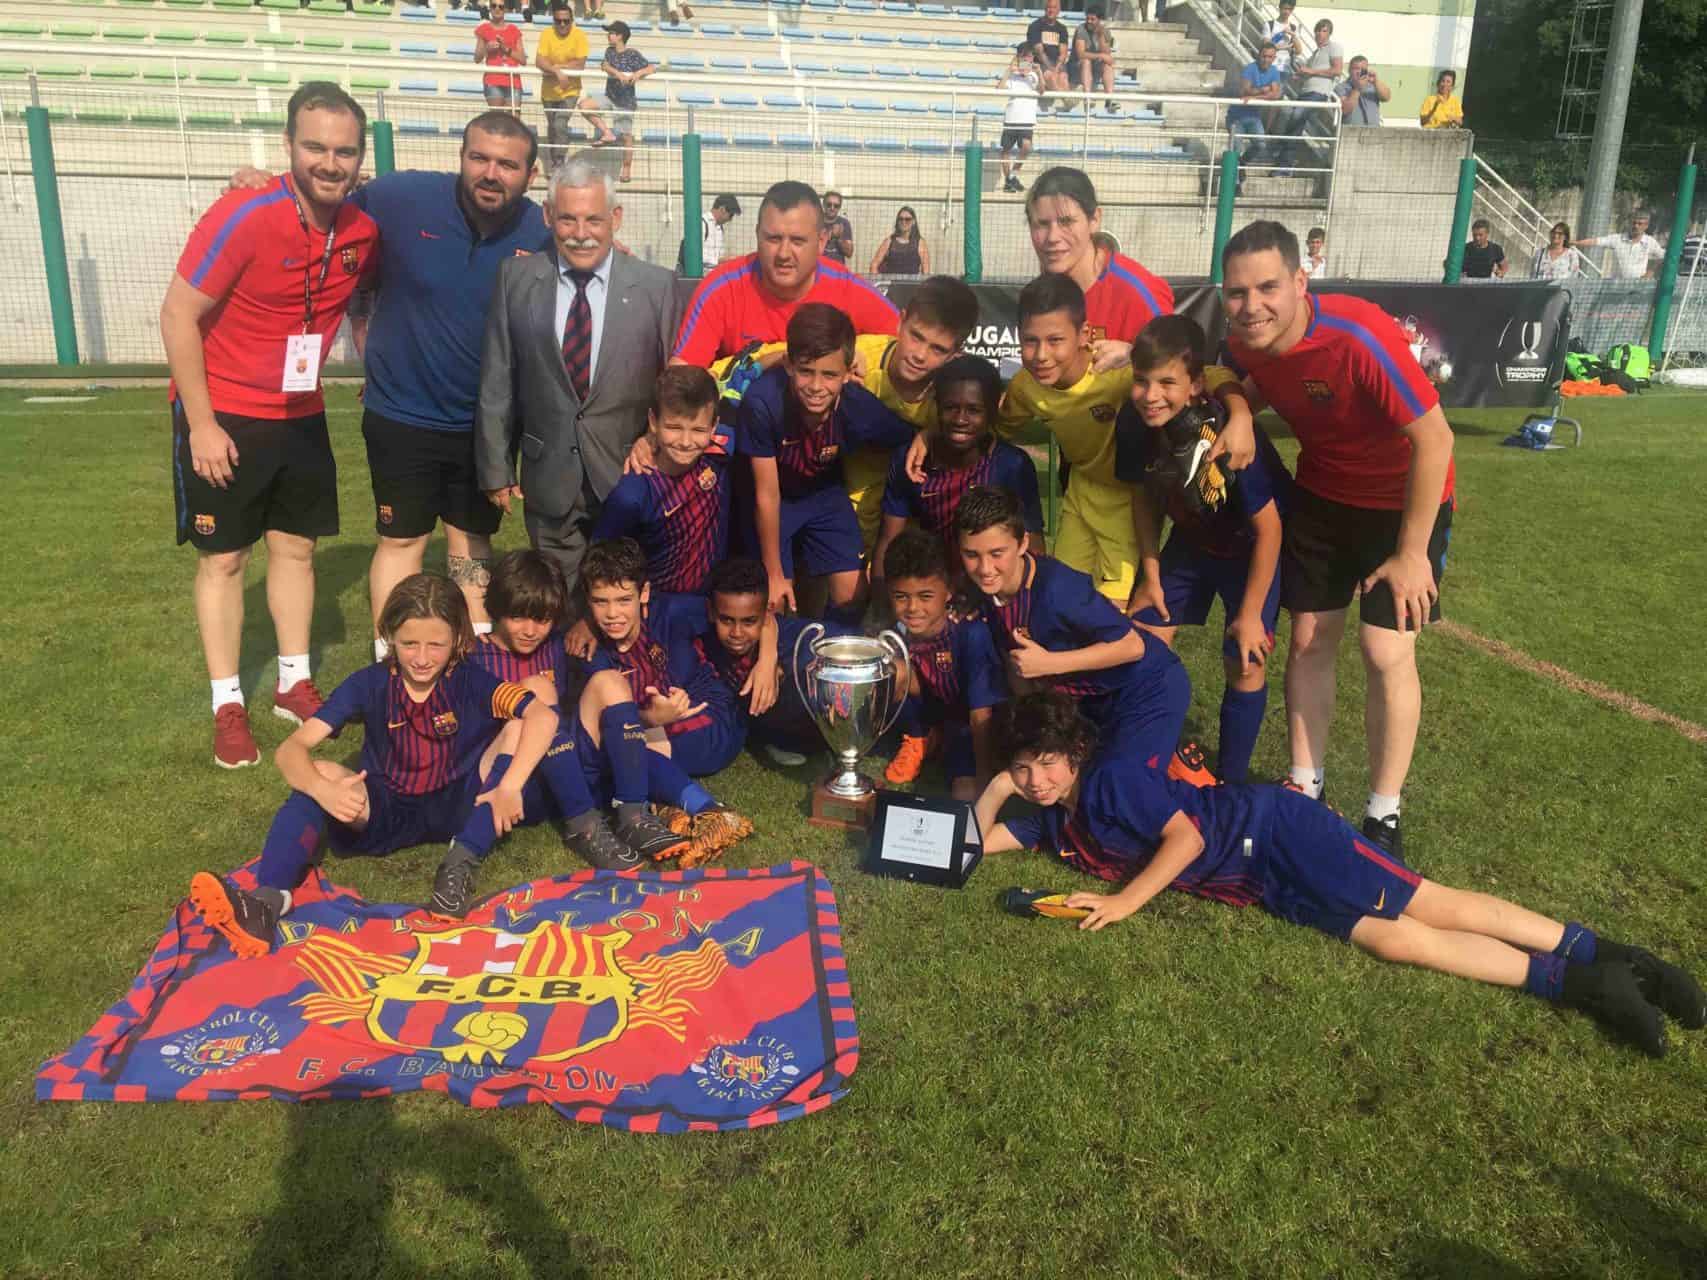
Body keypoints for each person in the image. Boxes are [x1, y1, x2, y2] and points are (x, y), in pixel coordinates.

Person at [973, 692, 1705, 1059]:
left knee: (1431, 906)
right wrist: (995, 787)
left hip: (1278, 833)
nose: (1035, 779)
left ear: (1075, 752)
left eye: (1045, 763)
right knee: (1396, 941)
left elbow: (1186, 833)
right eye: (1022, 767)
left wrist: (1125, 902)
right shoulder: (1051, 817)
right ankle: (1583, 987)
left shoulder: (1108, 784)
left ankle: (1617, 957)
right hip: (1261, 884)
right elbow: (969, 842)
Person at [186, 574, 645, 962]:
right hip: (388, 809)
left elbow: (542, 716)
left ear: (458, 640)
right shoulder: (369, 684)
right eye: (409, 644)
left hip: (462, 805)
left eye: (435, 644)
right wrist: (324, 791)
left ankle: (460, 862)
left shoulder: (471, 678)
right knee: (321, 772)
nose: (422, 657)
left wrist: (511, 786)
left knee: (515, 730)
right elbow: (292, 750)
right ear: (388, 637)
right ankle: (266, 904)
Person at [225, 112, 552, 654]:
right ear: (461, 157)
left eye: (507, 164)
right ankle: (390, 662)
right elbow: (318, 200)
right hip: (401, 413)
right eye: (479, 158)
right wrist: (261, 183)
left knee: (471, 545)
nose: (490, 173)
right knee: (401, 539)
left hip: (488, 421)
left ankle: (471, 662)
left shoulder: (542, 231)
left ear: (531, 172)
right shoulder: (401, 197)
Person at [1216, 220, 1455, 857]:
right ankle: (1305, 786)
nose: (1252, 306)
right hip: (1323, 497)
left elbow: (1436, 439)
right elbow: (1226, 378)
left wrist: (1411, 553)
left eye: (1268, 287)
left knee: (1384, 651)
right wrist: (1239, 410)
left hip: (1401, 506)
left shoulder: (1357, 335)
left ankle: (1383, 816)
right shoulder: (1248, 341)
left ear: (1300, 280)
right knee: (1308, 640)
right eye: (1237, 293)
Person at [161, 82, 378, 769]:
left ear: (359, 157)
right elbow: (176, 315)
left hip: (300, 413)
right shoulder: (244, 211)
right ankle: (228, 702)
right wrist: (201, 424)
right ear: (289, 146)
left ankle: (292, 683)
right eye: (314, 146)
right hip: (222, 414)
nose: (329, 162)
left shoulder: (363, 229)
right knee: (225, 559)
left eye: (343, 150)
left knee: (296, 551)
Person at [476, 160, 682, 588]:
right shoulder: (516, 279)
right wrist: (496, 467)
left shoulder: (657, 286)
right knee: (560, 598)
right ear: (549, 216)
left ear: (615, 219)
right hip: (548, 474)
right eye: (568, 218)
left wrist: (654, 439)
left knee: (623, 598)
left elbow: (673, 383)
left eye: (594, 219)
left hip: (630, 472)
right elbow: (498, 378)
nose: (581, 232)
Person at [1116, 315, 1288, 783]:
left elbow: (1270, 531)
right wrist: (1150, 575)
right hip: (1190, 545)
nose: (1150, 395)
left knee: (1245, 657)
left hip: (1249, 550)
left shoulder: (1226, 435)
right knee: (1141, 642)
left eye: (1166, 382)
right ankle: (1155, 759)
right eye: (1141, 381)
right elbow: (1143, 501)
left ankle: (1230, 784)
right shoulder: (1134, 424)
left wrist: (1251, 613)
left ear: (1196, 386)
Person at [954, 486, 1194, 778]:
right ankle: (1161, 760)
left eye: (997, 553)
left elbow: (1133, 646)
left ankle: (1182, 773)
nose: (985, 568)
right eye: (971, 555)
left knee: (1121, 792)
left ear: (1022, 544)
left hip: (1147, 687)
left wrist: (1049, 664)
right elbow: (1017, 670)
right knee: (1081, 787)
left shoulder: (1057, 588)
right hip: (1091, 701)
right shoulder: (988, 593)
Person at [741, 303, 916, 618]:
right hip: (774, 498)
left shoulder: (859, 408)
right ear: (789, 365)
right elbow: (766, 495)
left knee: (852, 594)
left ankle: (833, 652)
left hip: (824, 495)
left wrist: (927, 438)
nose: (817, 387)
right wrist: (773, 572)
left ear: (848, 373)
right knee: (775, 601)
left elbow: (909, 438)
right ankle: (781, 659)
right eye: (806, 371)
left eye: (830, 375)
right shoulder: (763, 403)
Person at [671, 180, 899, 368]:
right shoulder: (721, 288)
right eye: (773, 238)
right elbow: (680, 377)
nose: (783, 254)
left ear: (821, 241)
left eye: (798, 241)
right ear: (757, 235)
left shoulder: (848, 290)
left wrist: (858, 357)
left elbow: (911, 346)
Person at [592, 365, 733, 636]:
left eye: (698, 429)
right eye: (673, 427)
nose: (685, 441)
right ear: (653, 421)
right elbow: (601, 559)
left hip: (717, 606)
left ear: (714, 426)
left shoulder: (722, 452)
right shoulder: (632, 493)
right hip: (658, 613)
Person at [874, 354, 1042, 580]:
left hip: (991, 586)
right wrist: (884, 608)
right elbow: (889, 542)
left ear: (992, 411)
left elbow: (1034, 550)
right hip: (931, 588)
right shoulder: (911, 461)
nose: (960, 419)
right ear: (936, 405)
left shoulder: (1012, 465)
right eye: (951, 407)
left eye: (974, 410)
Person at [882, 530, 1008, 798]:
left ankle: (949, 746)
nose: (913, 608)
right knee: (890, 669)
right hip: (932, 708)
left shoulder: (970, 632)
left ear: (948, 590)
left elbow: (981, 714)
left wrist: (984, 777)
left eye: (925, 596)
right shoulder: (894, 631)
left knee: (965, 795)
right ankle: (918, 737)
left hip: (969, 722)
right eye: (901, 596)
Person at [1024, 168, 1174, 372]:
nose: (1052, 237)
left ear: (1094, 220)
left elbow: (1179, 366)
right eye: (1041, 224)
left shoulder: (1136, 291)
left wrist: (1135, 354)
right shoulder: (1043, 287)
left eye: (1066, 222)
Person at [536, 3, 605, 167]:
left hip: (570, 90)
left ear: (571, 20)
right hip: (548, 91)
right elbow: (539, 60)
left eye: (565, 21)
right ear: (553, 20)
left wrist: (556, 67)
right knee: (553, 126)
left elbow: (580, 64)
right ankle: (555, 159)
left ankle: (559, 160)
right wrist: (558, 71)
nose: (562, 24)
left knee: (560, 123)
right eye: (558, 21)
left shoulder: (579, 35)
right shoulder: (546, 34)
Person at [598, 20, 653, 184]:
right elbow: (605, 66)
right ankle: (607, 132)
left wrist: (637, 74)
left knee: (626, 136)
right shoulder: (609, 51)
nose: (608, 36)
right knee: (585, 106)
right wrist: (619, 74)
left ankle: (627, 167)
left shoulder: (632, 54)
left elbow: (651, 68)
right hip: (609, 95)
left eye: (611, 33)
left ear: (620, 36)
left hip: (625, 100)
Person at [1230, 43, 1286, 166]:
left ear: (1274, 58)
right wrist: (1264, 90)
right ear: (1258, 56)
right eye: (1264, 56)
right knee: (1236, 150)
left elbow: (1276, 95)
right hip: (1236, 117)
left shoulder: (1274, 71)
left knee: (1261, 145)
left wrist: (1254, 96)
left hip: (1254, 116)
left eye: (1270, 57)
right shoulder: (1250, 68)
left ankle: (1241, 165)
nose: (1266, 60)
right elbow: (1244, 91)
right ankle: (1236, 178)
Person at [998, 44, 1041, 194]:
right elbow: (999, 88)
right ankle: (1009, 181)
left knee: (1026, 147)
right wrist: (1009, 71)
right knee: (1006, 150)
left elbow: (1042, 90)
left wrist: (1039, 72)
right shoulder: (1013, 77)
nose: (1026, 61)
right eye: (1024, 57)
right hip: (1011, 119)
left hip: (1026, 120)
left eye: (1029, 57)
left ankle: (1012, 176)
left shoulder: (1034, 76)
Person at [1577, 210, 1665, 281]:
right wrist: (1575, 243)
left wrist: (1650, 271)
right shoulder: (1617, 239)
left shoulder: (1650, 242)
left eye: (1640, 223)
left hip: (1638, 286)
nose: (1636, 226)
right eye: (1634, 223)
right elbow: (1595, 241)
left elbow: (1665, 256)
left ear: (1646, 226)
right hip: (1617, 285)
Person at [474, 0, 526, 109]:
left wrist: (505, 48)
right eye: (494, 6)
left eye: (501, 7)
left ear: (505, 9)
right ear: (490, 8)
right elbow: (477, 58)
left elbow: (523, 60)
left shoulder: (514, 30)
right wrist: (486, 48)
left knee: (513, 121)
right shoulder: (483, 29)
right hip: (493, 80)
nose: (497, 9)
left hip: (513, 80)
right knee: (497, 119)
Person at [1070, 4, 1118, 112]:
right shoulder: (1081, 29)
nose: (1089, 21)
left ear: (1099, 20)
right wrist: (1101, 55)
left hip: (1094, 66)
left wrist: (1100, 36)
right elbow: (1081, 54)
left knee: (1108, 65)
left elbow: (1107, 54)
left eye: (1092, 19)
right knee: (1086, 61)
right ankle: (1087, 98)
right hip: (1077, 66)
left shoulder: (1105, 31)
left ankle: (1109, 100)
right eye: (1087, 18)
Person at [1026, 0, 1072, 105]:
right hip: (1040, 62)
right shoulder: (1035, 26)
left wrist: (1057, 67)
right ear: (1045, 9)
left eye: (1054, 7)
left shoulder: (1062, 29)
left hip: (1056, 62)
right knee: (1050, 76)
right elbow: (1039, 51)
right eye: (1048, 7)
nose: (1050, 10)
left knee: (1063, 77)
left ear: (1059, 10)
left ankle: (1068, 99)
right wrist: (1051, 68)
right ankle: (1067, 98)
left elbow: (1063, 52)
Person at [1292, 18, 1342, 105]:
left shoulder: (1334, 47)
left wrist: (1311, 71)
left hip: (1318, 93)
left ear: (1330, 34)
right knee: (1290, 115)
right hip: (1304, 92)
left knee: (1296, 115)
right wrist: (1300, 76)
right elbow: (1310, 73)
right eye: (1318, 31)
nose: (1320, 33)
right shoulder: (1313, 55)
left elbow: (1337, 70)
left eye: (1324, 31)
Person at [870, 206, 928, 276]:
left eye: (907, 219)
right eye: (901, 219)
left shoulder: (920, 243)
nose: (904, 222)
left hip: (912, 285)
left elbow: (925, 271)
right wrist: (878, 283)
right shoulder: (889, 241)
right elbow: (874, 264)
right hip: (891, 284)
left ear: (913, 222)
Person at [1336, 55, 1389, 128]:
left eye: (1363, 69)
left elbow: (1386, 98)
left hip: (1374, 131)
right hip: (1351, 133)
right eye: (1356, 69)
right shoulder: (1341, 87)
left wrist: (1376, 81)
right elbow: (1345, 110)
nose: (1359, 72)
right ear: (1349, 70)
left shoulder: (1373, 86)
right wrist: (1357, 89)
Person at [1266, 0, 1300, 75]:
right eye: (1285, 8)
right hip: (1270, 66)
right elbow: (1266, 46)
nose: (1287, 12)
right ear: (1280, 8)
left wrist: (1293, 35)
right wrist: (1285, 46)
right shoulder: (1269, 25)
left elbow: (1299, 51)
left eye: (1290, 9)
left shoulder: (1293, 27)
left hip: (1285, 68)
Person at [822, 190, 854, 266]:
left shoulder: (844, 223)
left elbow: (849, 253)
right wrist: (829, 235)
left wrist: (839, 239)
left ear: (839, 207)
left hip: (837, 270)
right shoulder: (815, 221)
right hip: (819, 269)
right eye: (829, 204)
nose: (832, 208)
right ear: (824, 204)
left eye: (836, 206)